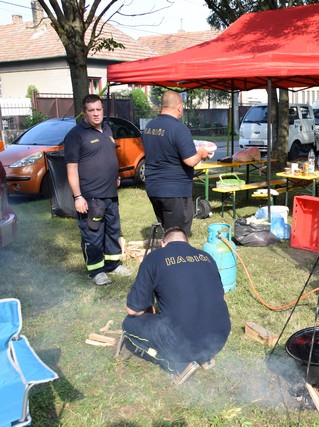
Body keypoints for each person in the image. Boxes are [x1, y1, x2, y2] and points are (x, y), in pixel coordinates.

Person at [122, 227, 231, 385]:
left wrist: (147, 311)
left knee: (129, 323)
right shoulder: (206, 257)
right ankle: (204, 358)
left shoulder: (154, 258)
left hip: (183, 343)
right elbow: (222, 299)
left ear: (163, 243)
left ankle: (180, 366)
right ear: (187, 242)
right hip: (218, 338)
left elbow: (133, 309)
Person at [65, 94, 132, 286]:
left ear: (103, 110)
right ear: (84, 112)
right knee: (92, 234)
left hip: (111, 194)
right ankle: (96, 271)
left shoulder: (107, 129)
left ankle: (113, 264)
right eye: (91, 110)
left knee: (112, 231)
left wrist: (116, 176)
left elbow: (109, 156)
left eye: (98, 109)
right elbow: (71, 169)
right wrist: (78, 197)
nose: (96, 114)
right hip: (90, 197)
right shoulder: (76, 135)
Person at [143, 90, 211, 236]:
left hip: (153, 188)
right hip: (175, 190)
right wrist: (201, 153)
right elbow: (190, 161)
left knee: (167, 230)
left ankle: (167, 248)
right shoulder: (179, 129)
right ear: (179, 107)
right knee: (178, 234)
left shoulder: (149, 127)